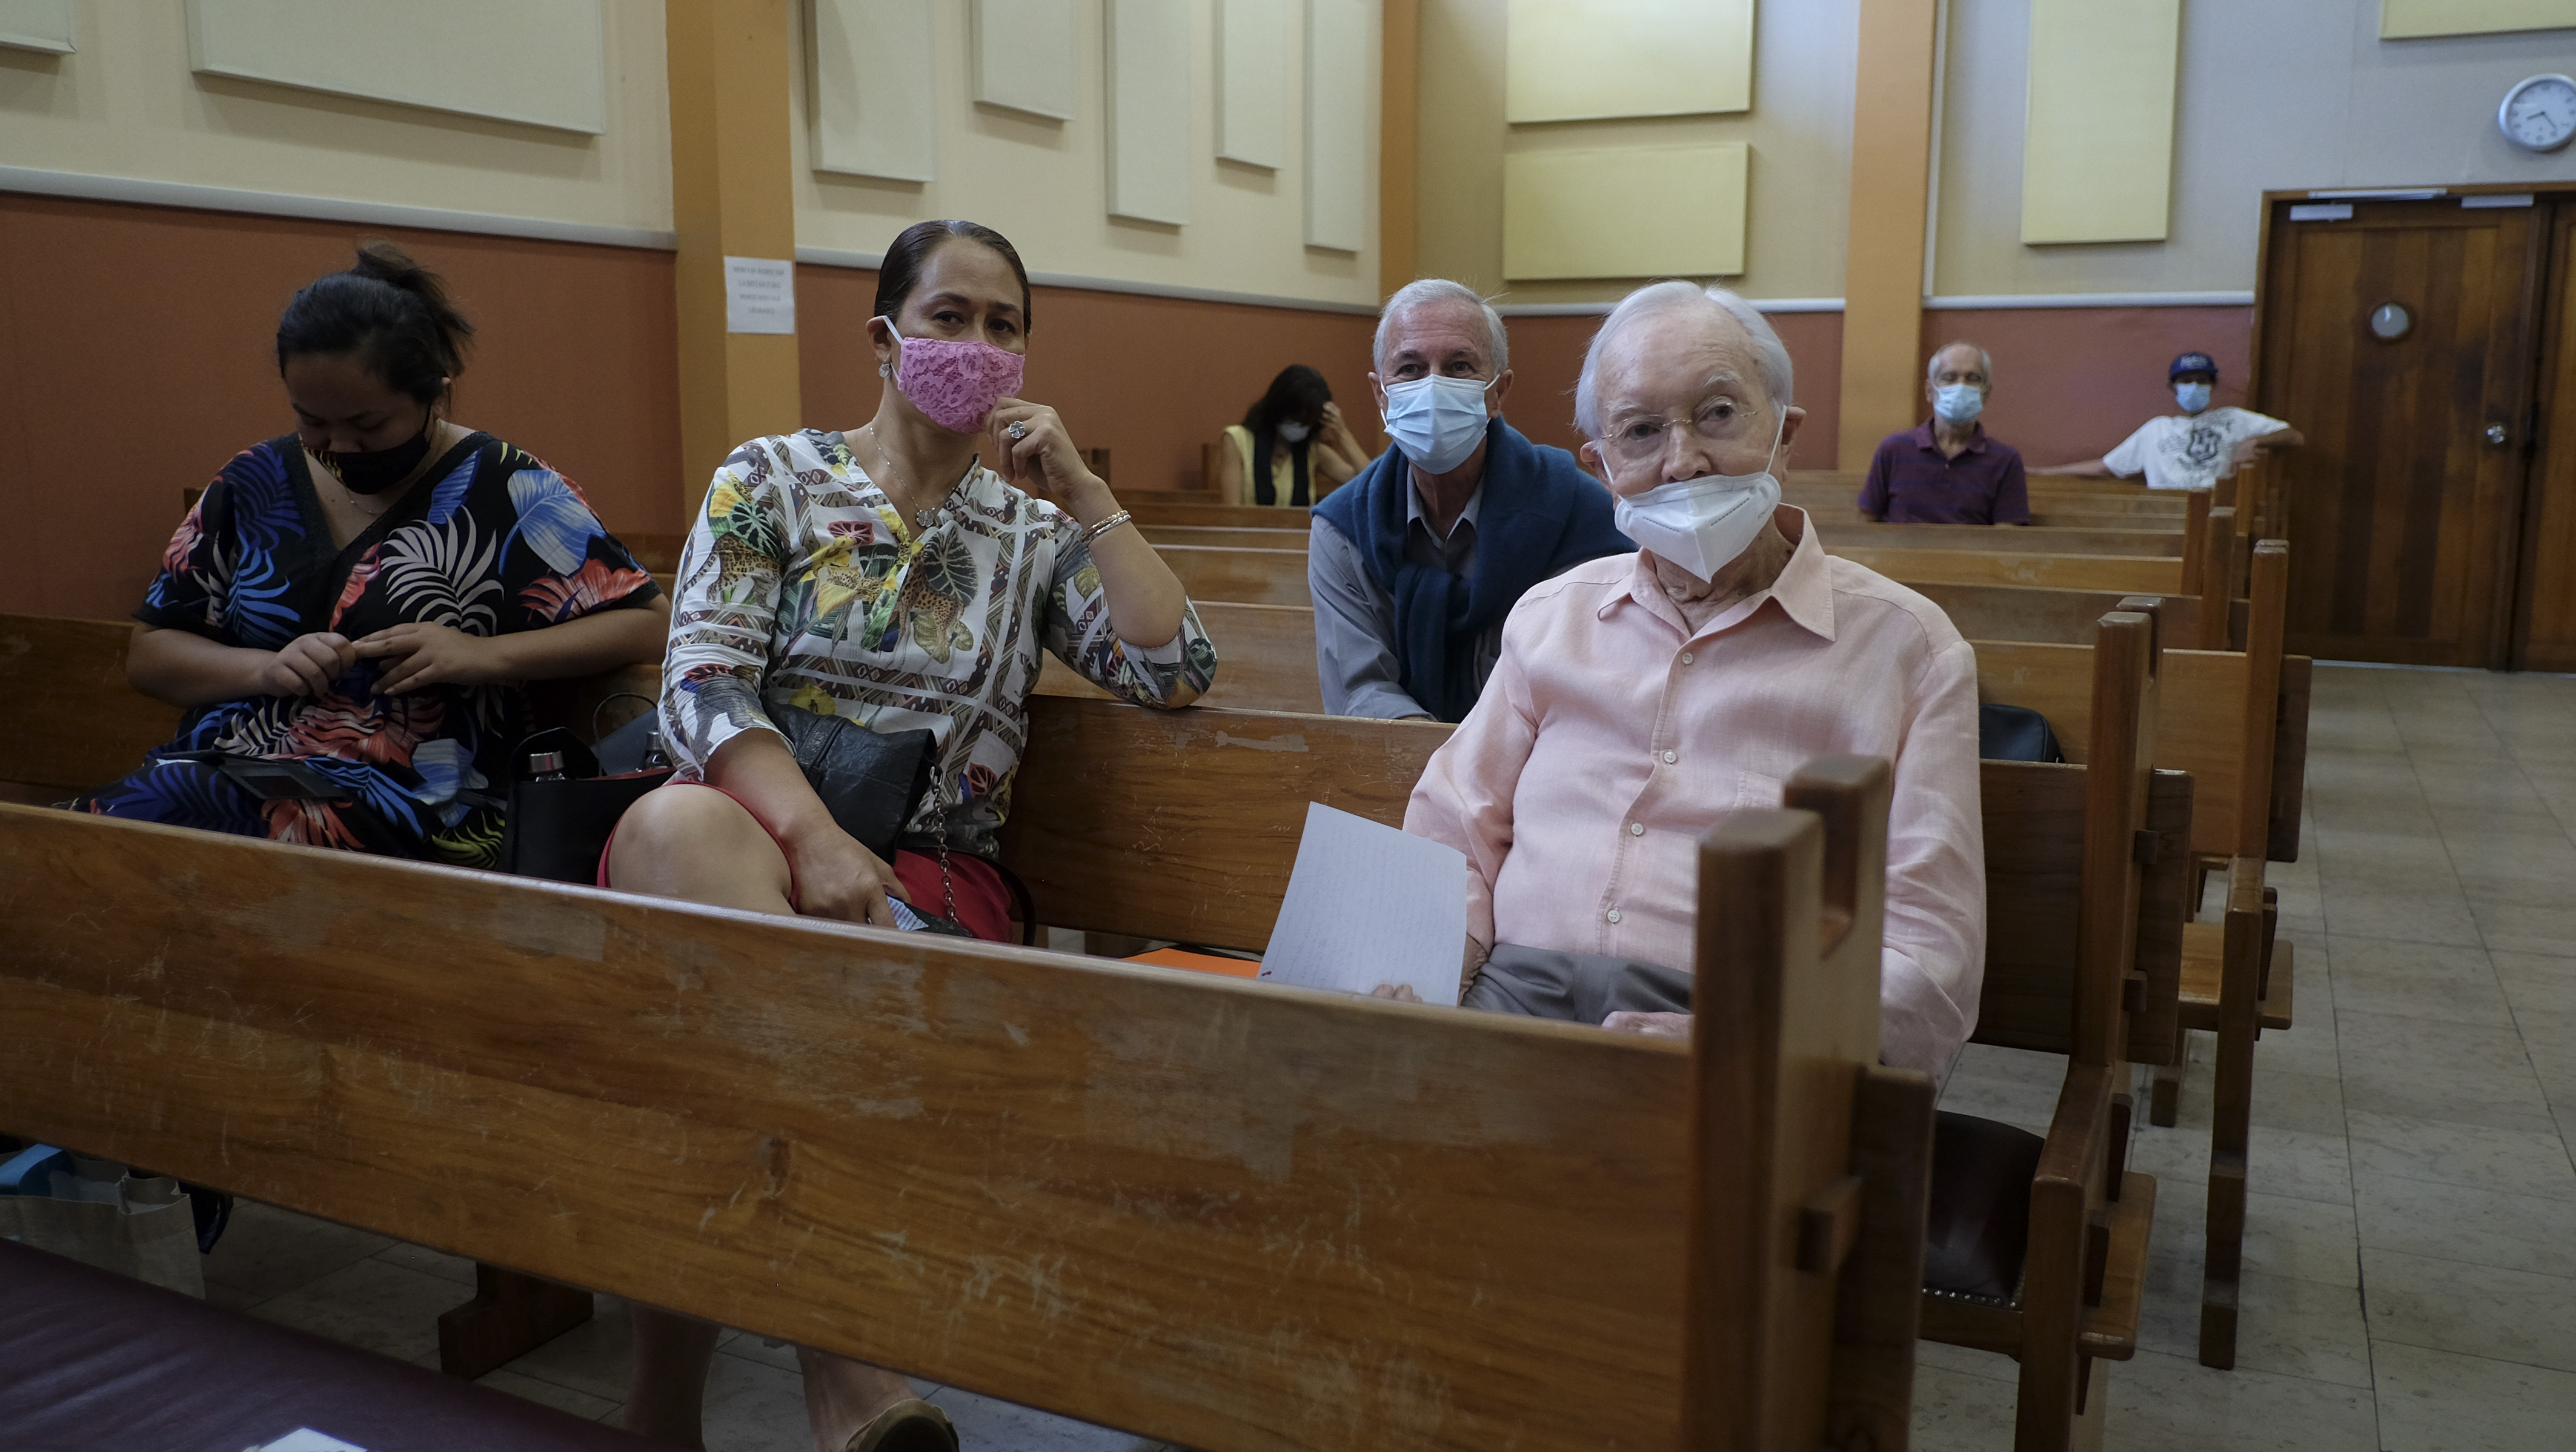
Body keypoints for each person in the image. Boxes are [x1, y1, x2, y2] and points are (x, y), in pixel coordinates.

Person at [602, 219, 1215, 1452]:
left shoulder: (1030, 535)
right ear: (884, 335)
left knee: (721, 1043)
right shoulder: (767, 479)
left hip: (927, 880)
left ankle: (662, 1401)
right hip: (748, 844)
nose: (976, 346)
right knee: (681, 825)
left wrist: (1085, 493)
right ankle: (847, 1372)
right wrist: (816, 839)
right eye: (949, 316)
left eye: (1003, 324)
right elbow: (702, 686)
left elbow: (1175, 669)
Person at [1394, 280, 1985, 1084]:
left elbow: (1929, 943)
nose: (1683, 460)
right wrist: (1424, 984)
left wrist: (1758, 1041)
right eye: (1640, 431)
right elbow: (1452, 827)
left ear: (1785, 435)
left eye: (1717, 414)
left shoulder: (1907, 650)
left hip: (1747, 1044)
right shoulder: (1551, 618)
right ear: (1602, 469)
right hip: (1507, 1003)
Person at [80, 242, 666, 863]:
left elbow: (649, 623)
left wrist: (483, 654)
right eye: (313, 422)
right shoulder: (253, 482)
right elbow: (151, 653)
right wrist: (263, 669)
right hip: (238, 770)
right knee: (107, 826)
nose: (339, 447)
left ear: (434, 394)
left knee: (185, 824)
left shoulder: (507, 485)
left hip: (420, 802)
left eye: (368, 426)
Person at [1309, 279, 1629, 723]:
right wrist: (1444, 772)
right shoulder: (1344, 529)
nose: (1433, 386)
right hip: (1403, 771)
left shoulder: (1579, 512)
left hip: (1543, 767)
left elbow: (1598, 686)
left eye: (1460, 366)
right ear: (1381, 395)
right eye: (1410, 368)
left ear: (1498, 392)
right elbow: (1361, 689)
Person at [2034, 350, 2303, 491]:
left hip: (2217, 505)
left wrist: (2255, 441)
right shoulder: (2157, 428)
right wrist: (2044, 473)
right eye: (2186, 382)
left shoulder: (2233, 418)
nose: (2194, 387)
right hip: (2167, 510)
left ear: (2212, 386)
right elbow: (2105, 466)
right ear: (2173, 388)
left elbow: (2294, 436)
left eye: (2202, 381)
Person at [1856, 341, 2030, 525]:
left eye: (1973, 378)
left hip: (1972, 554)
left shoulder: (2006, 460)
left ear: (1985, 394)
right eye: (1949, 377)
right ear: (1930, 391)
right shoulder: (1893, 449)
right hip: (1898, 552)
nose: (1961, 386)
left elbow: (2008, 536)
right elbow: (1867, 521)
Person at [1212, 363, 1370, 506]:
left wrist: (1343, 433)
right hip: (1247, 536)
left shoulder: (1312, 450)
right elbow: (1232, 513)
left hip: (1297, 536)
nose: (1300, 426)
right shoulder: (1237, 439)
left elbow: (1371, 483)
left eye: (1307, 421)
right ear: (1278, 409)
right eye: (1295, 418)